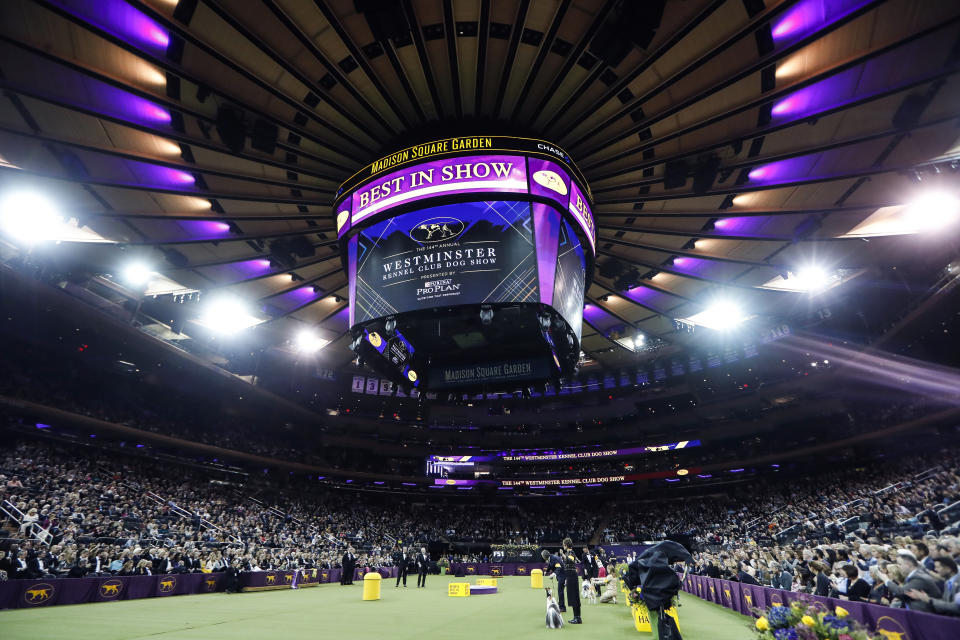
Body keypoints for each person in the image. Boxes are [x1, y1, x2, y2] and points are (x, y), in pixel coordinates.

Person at [561, 538, 582, 624]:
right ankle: (576, 617)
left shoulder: (570, 552)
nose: (563, 546)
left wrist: (563, 555)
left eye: (563, 544)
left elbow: (570, 560)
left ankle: (577, 618)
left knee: (574, 596)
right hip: (570, 575)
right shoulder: (569, 552)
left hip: (571, 576)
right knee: (573, 596)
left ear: (566, 545)